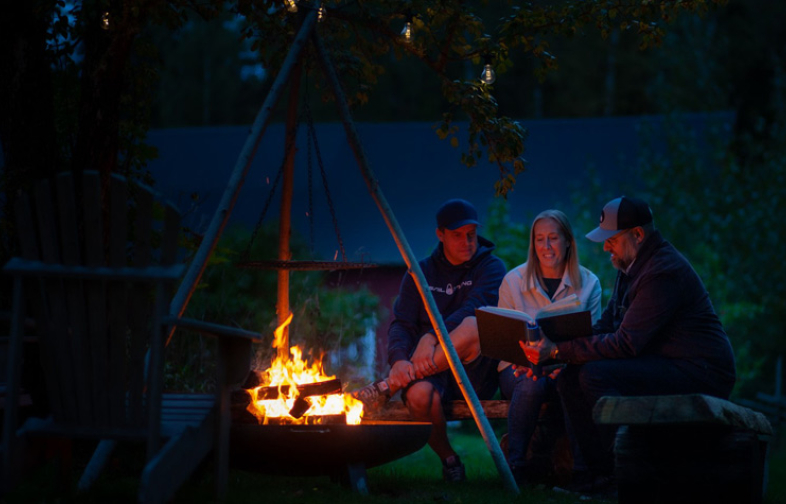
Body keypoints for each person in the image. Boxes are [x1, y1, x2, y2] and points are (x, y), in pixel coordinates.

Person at [520, 196, 737, 496]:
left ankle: (621, 474)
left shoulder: (663, 271)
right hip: (665, 362)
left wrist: (558, 351)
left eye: (611, 239)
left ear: (637, 235)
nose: (605, 246)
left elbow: (626, 343)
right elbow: (607, 325)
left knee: (595, 375)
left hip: (699, 370)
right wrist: (555, 355)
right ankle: (590, 478)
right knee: (570, 377)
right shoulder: (629, 265)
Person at [354, 198, 506, 483]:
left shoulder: (492, 267)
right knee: (419, 395)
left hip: (474, 371)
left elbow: (473, 307)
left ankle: (390, 385)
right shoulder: (420, 272)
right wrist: (399, 359)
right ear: (441, 235)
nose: (467, 242)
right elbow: (402, 323)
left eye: (471, 235)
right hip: (430, 369)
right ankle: (449, 459)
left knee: (473, 324)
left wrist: (431, 336)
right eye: (458, 235)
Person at [496, 209, 602, 487]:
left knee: (571, 382)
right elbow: (501, 339)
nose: (546, 246)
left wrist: (559, 364)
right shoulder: (513, 280)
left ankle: (583, 472)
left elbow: (591, 339)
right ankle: (515, 469)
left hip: (565, 366)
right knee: (531, 383)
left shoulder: (589, 284)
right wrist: (522, 360)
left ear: (568, 241)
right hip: (517, 368)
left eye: (553, 238)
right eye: (539, 239)